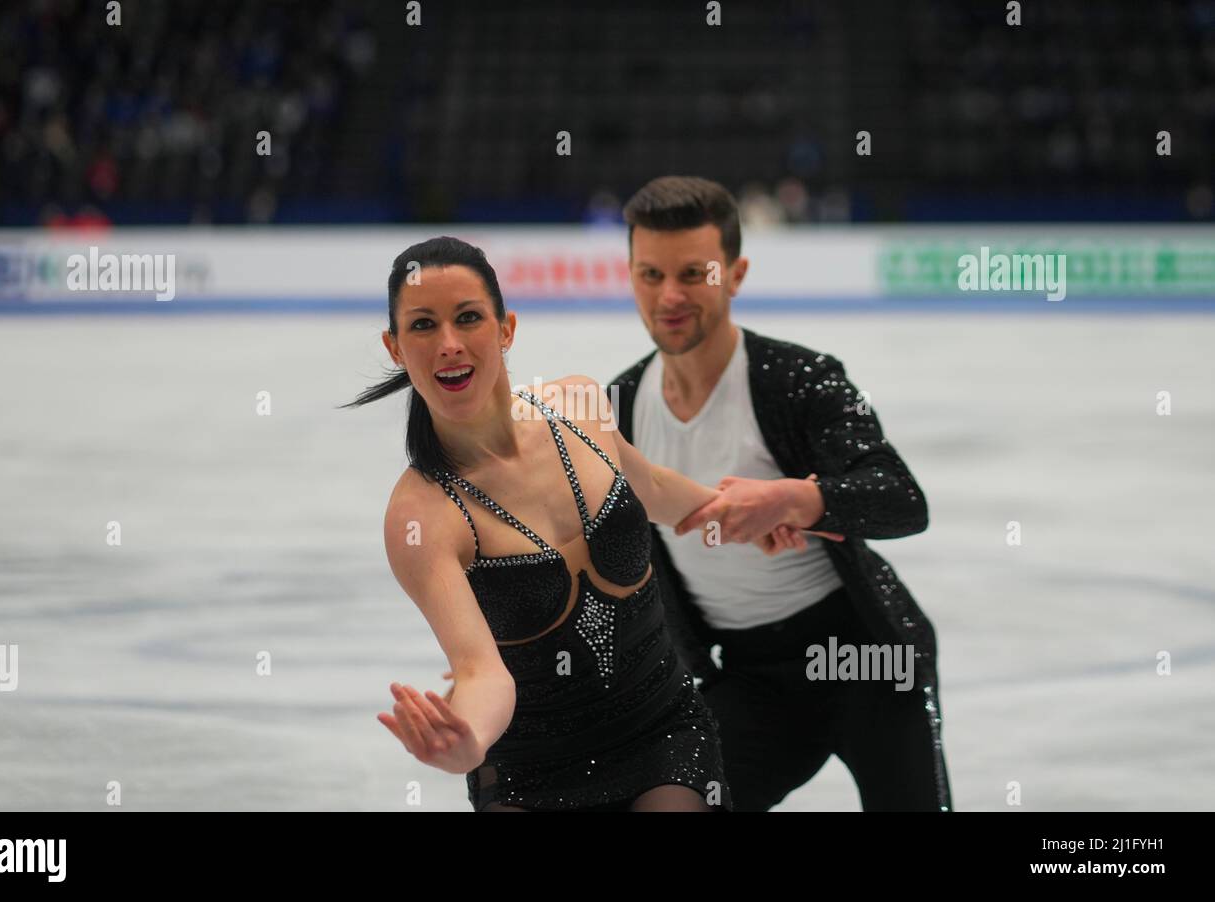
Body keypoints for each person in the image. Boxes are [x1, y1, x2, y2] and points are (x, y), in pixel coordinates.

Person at [348, 236, 825, 812]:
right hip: (530, 770)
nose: (448, 344)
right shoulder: (420, 516)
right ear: (395, 347)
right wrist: (467, 742)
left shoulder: (578, 407)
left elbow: (655, 491)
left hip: (662, 734)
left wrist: (761, 510)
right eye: (423, 326)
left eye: (468, 317)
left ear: (506, 328)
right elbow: (480, 672)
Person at [605, 176, 953, 811]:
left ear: (735, 275)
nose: (670, 295)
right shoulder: (618, 409)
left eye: (693, 273)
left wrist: (797, 500)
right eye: (650, 274)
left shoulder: (798, 380)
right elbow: (589, 552)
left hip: (864, 661)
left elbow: (900, 498)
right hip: (747, 675)